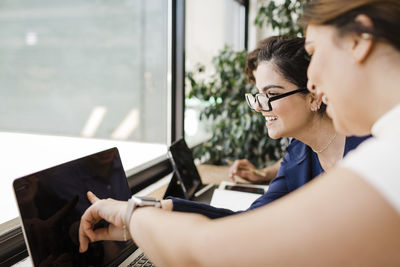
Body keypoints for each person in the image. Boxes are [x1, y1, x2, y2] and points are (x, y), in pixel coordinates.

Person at [79, 0, 400, 266]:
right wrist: (156, 211)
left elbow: (207, 253)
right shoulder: (309, 154)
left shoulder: (386, 158)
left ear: (358, 40)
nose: (313, 78)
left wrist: (133, 215)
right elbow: (249, 225)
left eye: (313, 51)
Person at [162, 36, 368, 218]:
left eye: (272, 95)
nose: (260, 108)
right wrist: (169, 207)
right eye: (259, 96)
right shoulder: (298, 154)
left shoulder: (370, 146)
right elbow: (249, 220)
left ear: (314, 97)